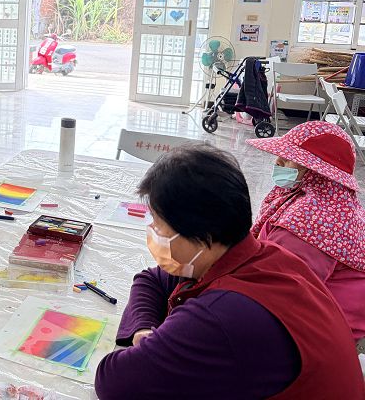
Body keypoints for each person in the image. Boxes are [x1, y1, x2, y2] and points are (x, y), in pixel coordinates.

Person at [94, 145, 364, 400]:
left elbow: (115, 381)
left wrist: (156, 350)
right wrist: (144, 328)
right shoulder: (262, 255)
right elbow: (151, 280)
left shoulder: (222, 315)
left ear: (202, 234)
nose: (153, 232)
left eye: (159, 224)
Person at [248, 120, 365, 342]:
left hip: (315, 334)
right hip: (328, 322)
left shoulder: (310, 224)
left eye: (287, 159)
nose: (277, 162)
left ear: (314, 173)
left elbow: (277, 291)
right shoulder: (339, 205)